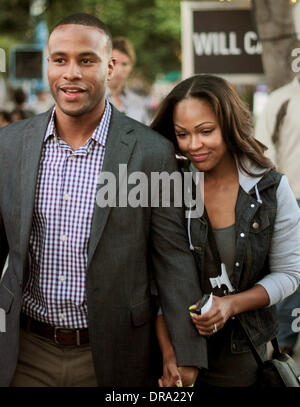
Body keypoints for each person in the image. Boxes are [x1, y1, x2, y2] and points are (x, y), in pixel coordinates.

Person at [0, 13, 207, 387]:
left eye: (87, 60)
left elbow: (173, 256)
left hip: (113, 356)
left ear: (110, 67)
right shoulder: (10, 145)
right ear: (49, 64)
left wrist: (185, 350)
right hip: (23, 353)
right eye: (60, 59)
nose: (71, 73)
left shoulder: (152, 152)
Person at [151, 74, 300, 387]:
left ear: (230, 126)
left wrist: (231, 304)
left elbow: (290, 274)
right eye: (182, 134)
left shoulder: (271, 189)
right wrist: (170, 353)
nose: (194, 145)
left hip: (243, 356)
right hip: (173, 352)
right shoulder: (169, 186)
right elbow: (155, 278)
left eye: (206, 131)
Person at [255, 76, 300, 356]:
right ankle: (282, 341)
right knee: (292, 274)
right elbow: (263, 154)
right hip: (292, 198)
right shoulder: (280, 100)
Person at [107, 36, 150, 124]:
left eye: (124, 64)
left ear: (131, 67)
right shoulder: (92, 101)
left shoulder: (138, 102)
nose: (119, 70)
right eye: (114, 62)